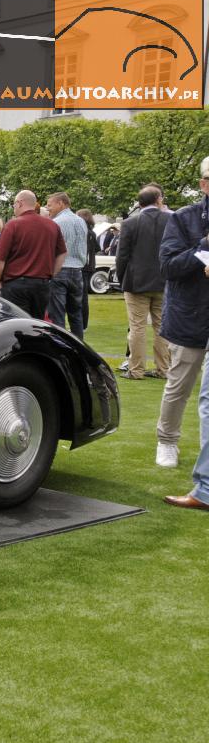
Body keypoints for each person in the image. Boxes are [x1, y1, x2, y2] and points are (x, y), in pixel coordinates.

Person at [160, 155, 209, 508]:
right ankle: (167, 440)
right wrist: (202, 251)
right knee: (180, 384)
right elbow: (170, 266)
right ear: (205, 183)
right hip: (190, 314)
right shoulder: (183, 218)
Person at [115, 186, 171, 381]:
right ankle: (163, 368)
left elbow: (122, 256)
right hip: (164, 281)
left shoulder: (130, 223)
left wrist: (122, 279)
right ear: (158, 200)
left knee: (137, 327)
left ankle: (136, 369)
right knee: (162, 327)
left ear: (139, 203)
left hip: (136, 282)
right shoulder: (171, 220)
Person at [0, 190, 66, 318]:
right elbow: (62, 254)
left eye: (14, 204)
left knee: (16, 326)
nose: (13, 207)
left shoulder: (12, 225)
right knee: (36, 326)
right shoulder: (52, 226)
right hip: (41, 285)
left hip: (15, 285)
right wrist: (52, 273)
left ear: (20, 203)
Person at [46, 192, 89, 338]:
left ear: (61, 203)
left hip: (60, 270)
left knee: (57, 315)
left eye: (50, 205)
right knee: (76, 314)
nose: (47, 208)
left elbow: (51, 249)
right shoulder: (80, 221)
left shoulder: (56, 223)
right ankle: (79, 349)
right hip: (77, 271)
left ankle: (60, 349)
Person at [75, 209, 100, 331]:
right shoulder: (92, 233)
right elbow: (97, 248)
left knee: (81, 297)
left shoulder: (83, 232)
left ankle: (82, 325)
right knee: (83, 297)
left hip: (82, 266)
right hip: (89, 266)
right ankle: (83, 324)